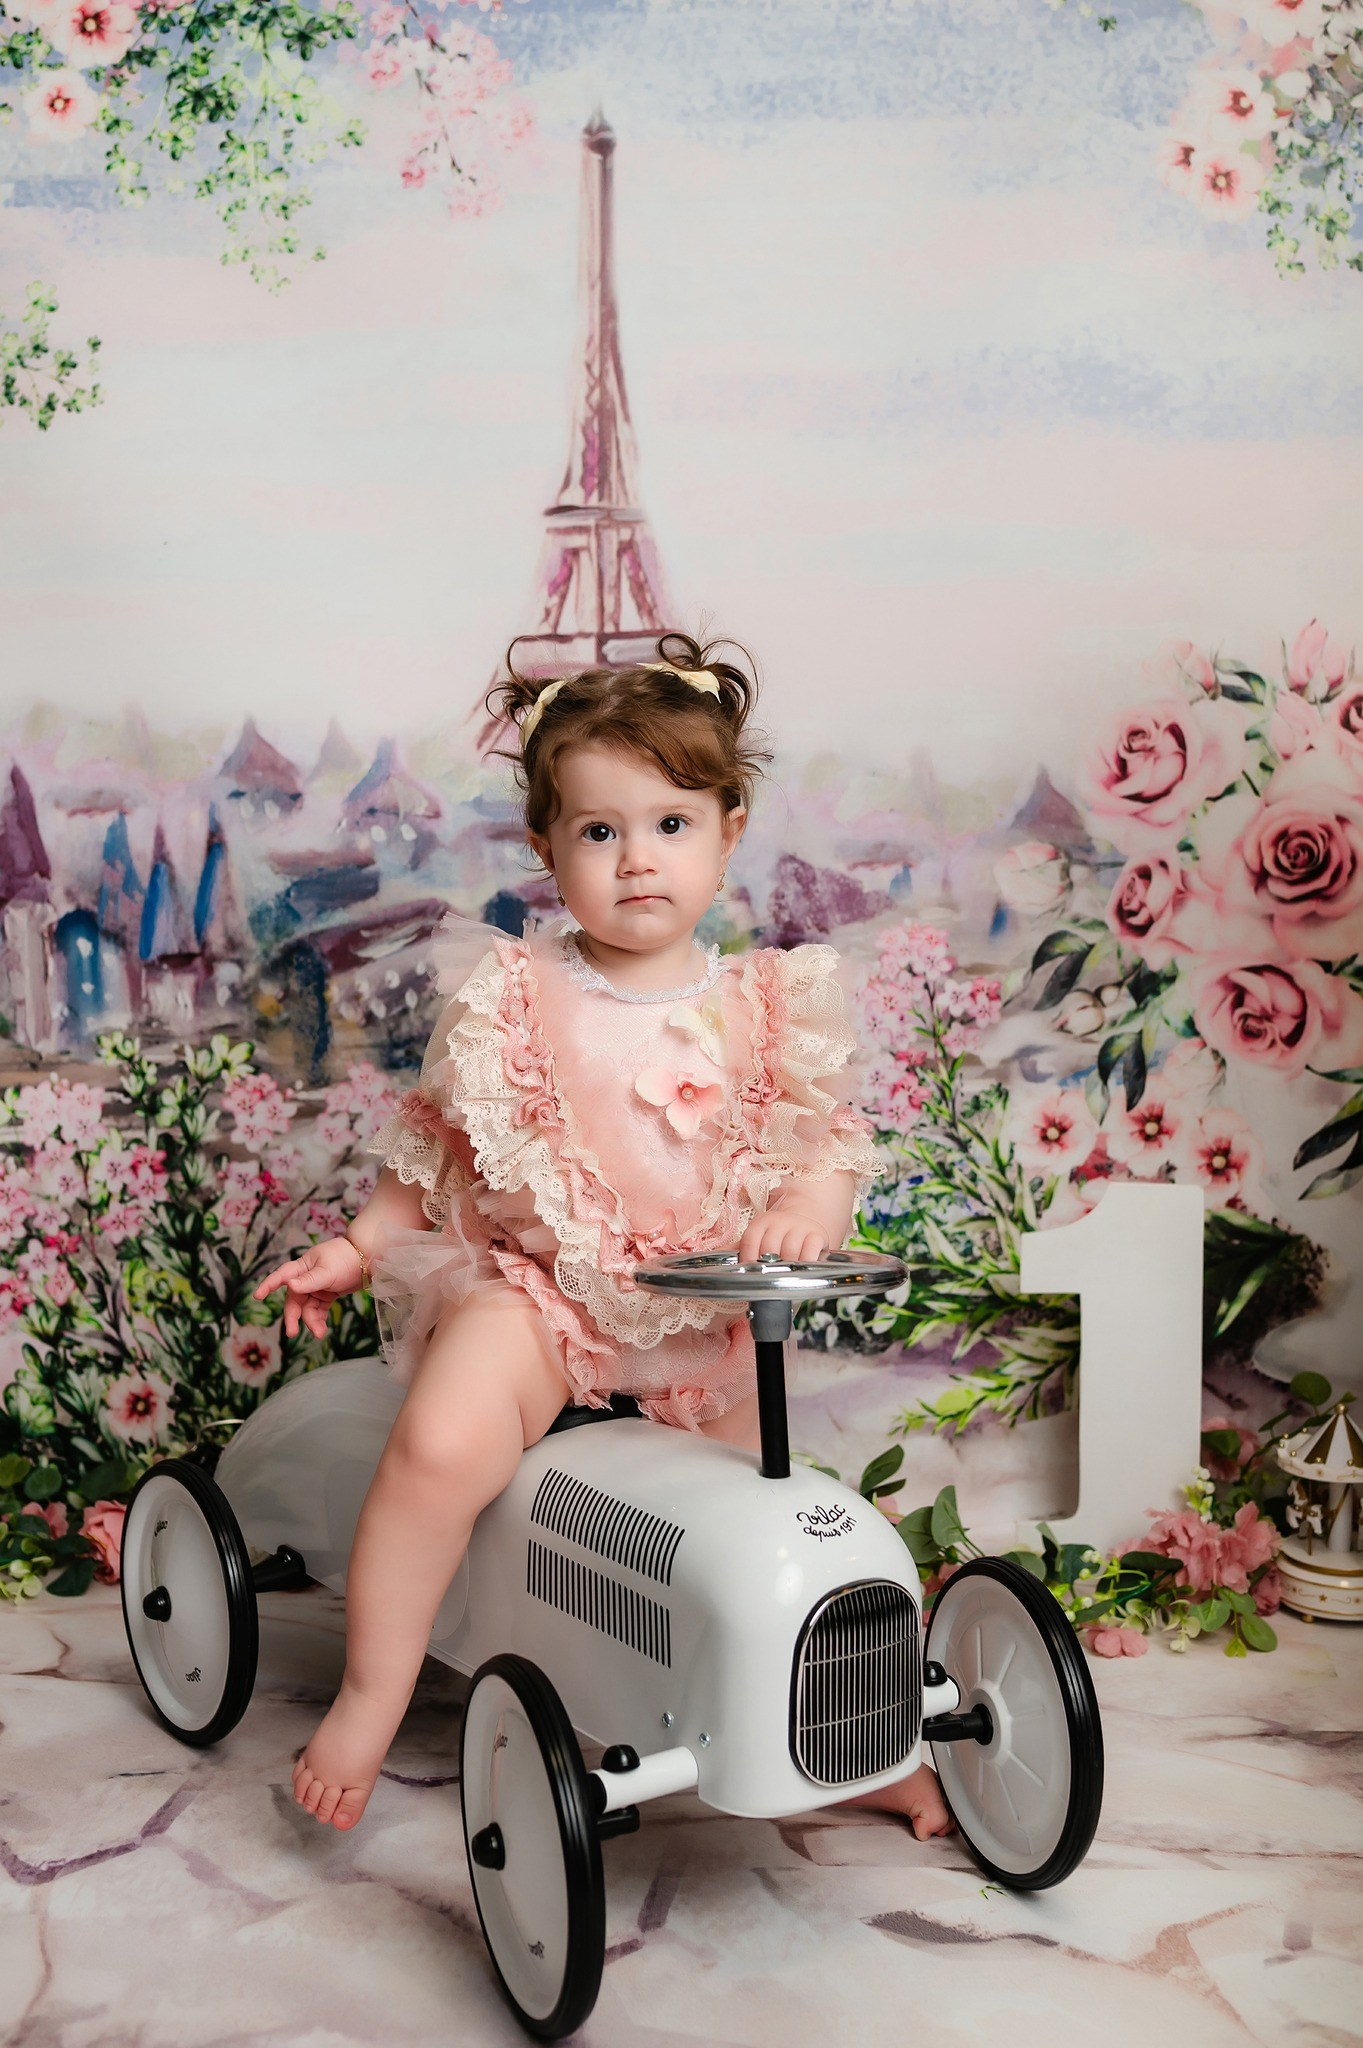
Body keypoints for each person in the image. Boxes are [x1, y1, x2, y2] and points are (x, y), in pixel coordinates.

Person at [254, 632, 952, 1843]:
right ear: (547, 849)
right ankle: (372, 1689)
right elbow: (435, 1149)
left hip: (706, 1320)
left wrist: (809, 1208)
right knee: (439, 1444)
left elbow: (825, 1142)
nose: (637, 858)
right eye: (598, 830)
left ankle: (843, 1745)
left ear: (727, 832)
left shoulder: (765, 1006)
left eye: (671, 824)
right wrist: (359, 1247)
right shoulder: (515, 1000)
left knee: (768, 1546)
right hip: (544, 1298)